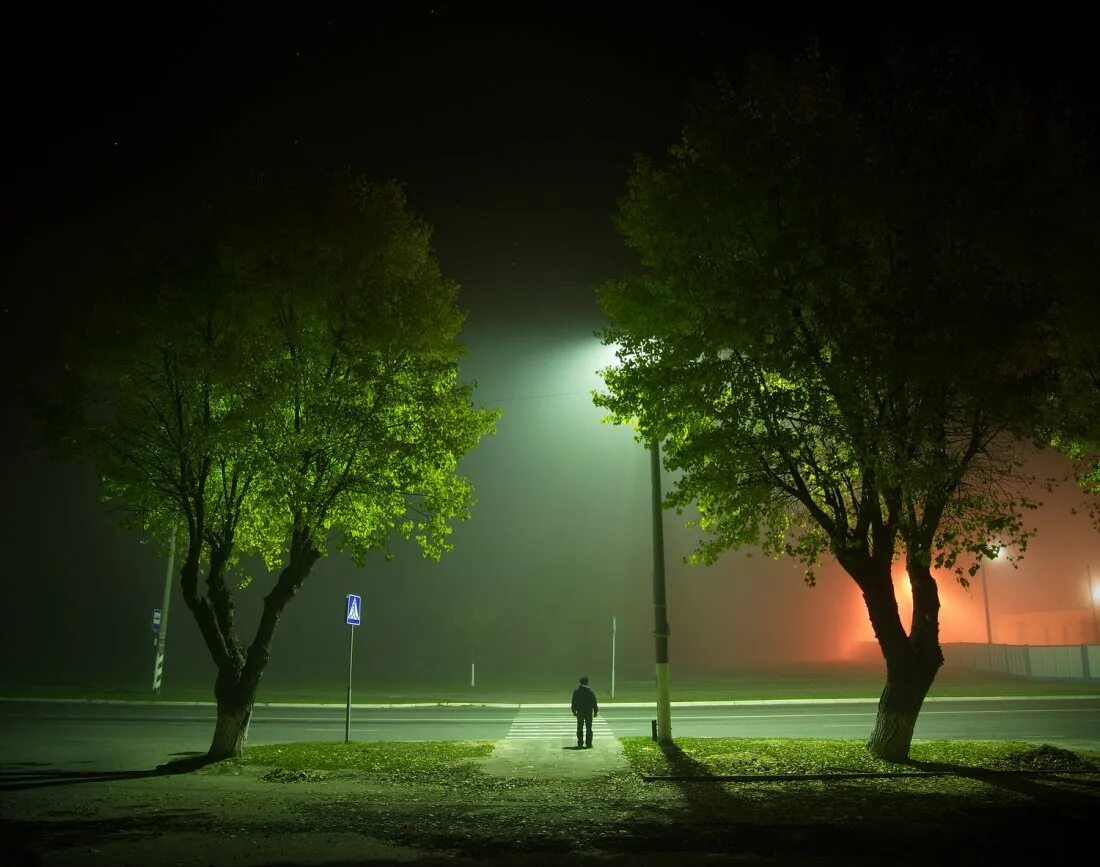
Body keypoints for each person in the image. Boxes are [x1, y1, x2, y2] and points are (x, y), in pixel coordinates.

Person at [570, 675, 599, 748]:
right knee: (589, 728)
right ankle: (588, 743)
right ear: (587, 682)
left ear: (580, 682)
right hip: (589, 712)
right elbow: (594, 702)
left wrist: (574, 710)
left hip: (580, 712)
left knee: (580, 727)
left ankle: (580, 743)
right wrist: (595, 711)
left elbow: (574, 702)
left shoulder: (576, 692)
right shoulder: (590, 691)